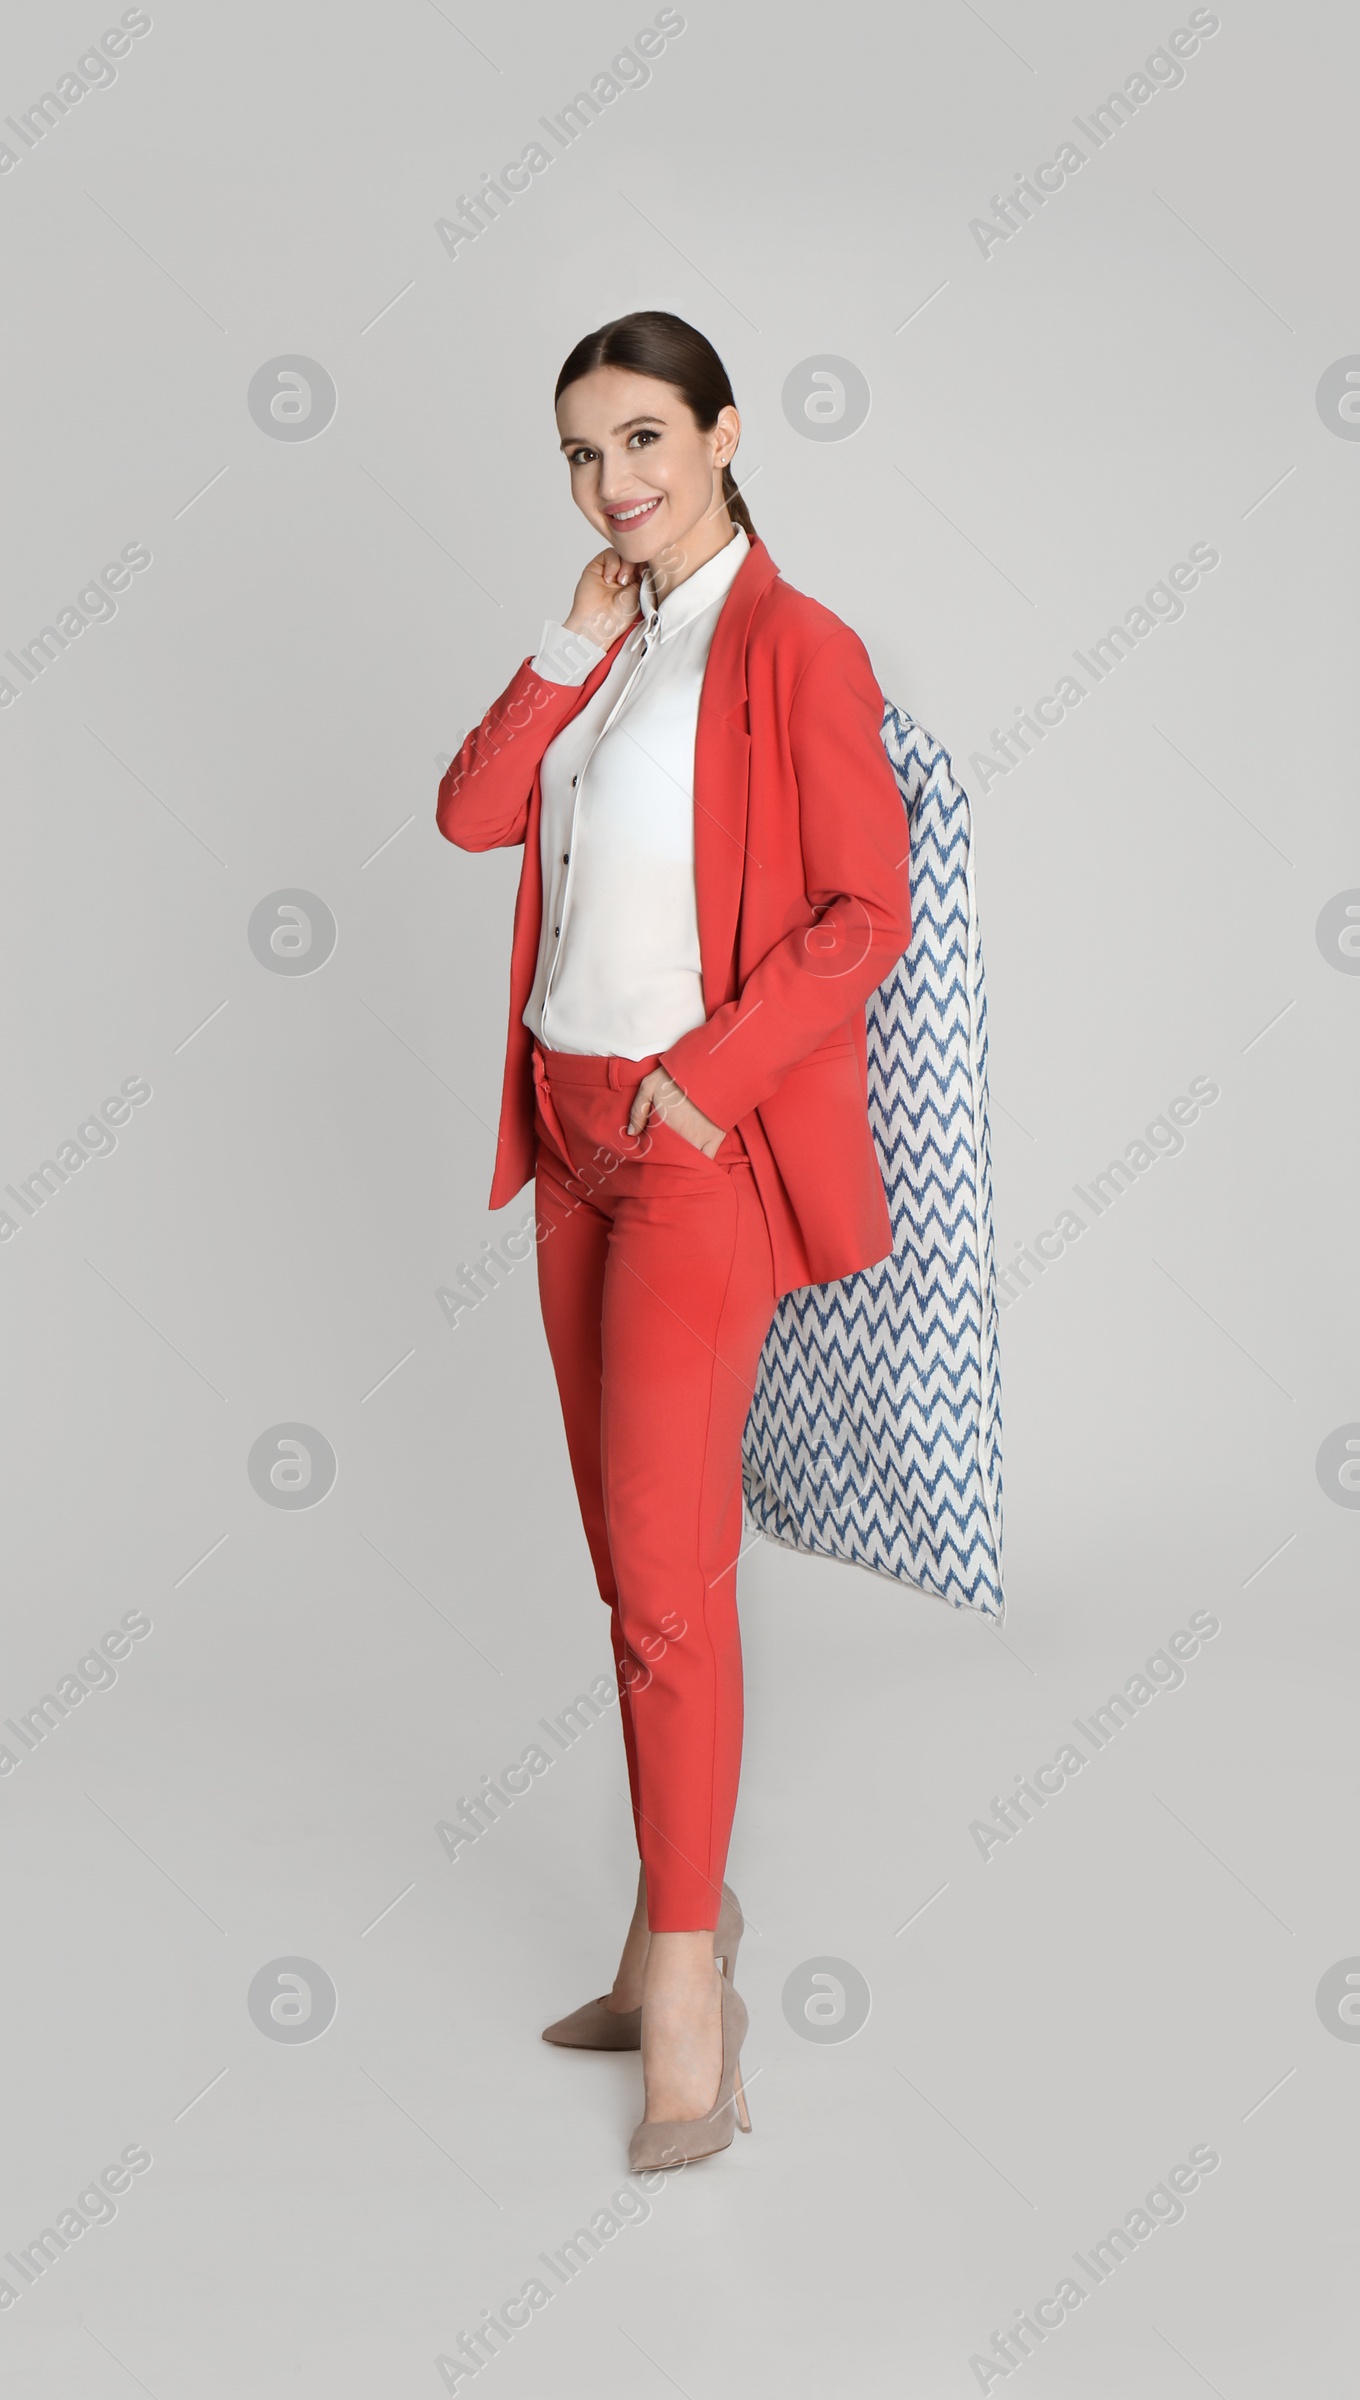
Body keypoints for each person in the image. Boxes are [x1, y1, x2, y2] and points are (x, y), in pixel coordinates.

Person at [436, 310, 912, 2168]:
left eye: (643, 440)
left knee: (662, 1576)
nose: (613, 484)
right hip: (564, 1144)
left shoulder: (796, 646)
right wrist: (566, 641)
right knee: (629, 1567)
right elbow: (476, 813)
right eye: (580, 454)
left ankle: (695, 1986)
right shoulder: (619, 646)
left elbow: (863, 909)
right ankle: (656, 1931)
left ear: (723, 434)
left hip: (684, 1150)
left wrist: (709, 1082)